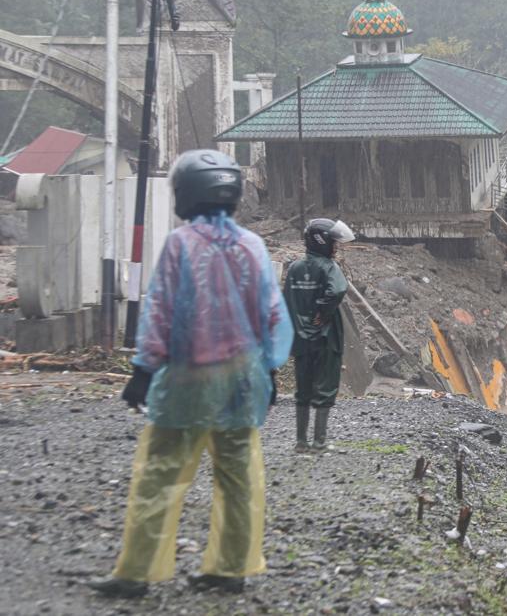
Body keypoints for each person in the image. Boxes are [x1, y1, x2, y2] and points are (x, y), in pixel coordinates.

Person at [89, 150, 294, 598]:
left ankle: (136, 573)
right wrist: (271, 372)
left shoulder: (181, 244)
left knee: (160, 473)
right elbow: (272, 314)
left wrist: (143, 369)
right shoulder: (252, 246)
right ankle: (231, 568)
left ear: (185, 193)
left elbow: (160, 310)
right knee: (239, 476)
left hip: (186, 379)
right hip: (242, 379)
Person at [284, 218, 354, 452]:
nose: (335, 247)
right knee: (324, 388)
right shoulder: (329, 267)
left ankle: (301, 442)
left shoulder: (294, 268)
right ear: (322, 241)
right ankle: (319, 442)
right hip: (325, 338)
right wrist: (323, 312)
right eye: (333, 242)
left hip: (301, 338)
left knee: (302, 389)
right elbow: (338, 290)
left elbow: (287, 302)